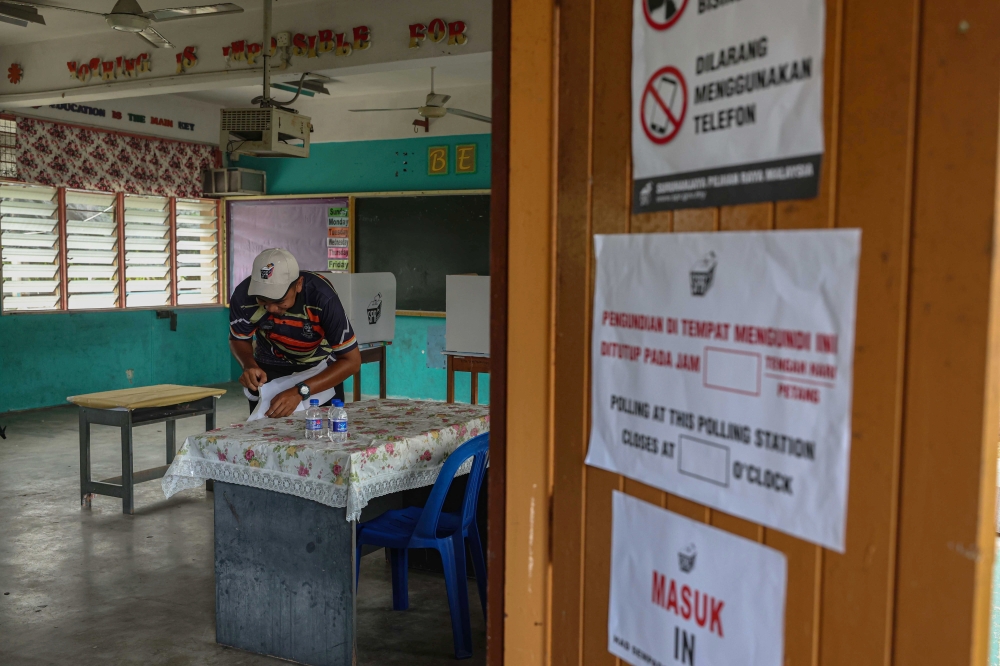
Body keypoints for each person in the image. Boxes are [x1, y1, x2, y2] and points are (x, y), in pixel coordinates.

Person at [229, 248, 362, 418]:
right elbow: (238, 338)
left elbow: (352, 361)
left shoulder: (322, 298)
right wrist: (249, 365)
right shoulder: (243, 297)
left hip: (319, 369)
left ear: (298, 285)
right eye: (262, 300)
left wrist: (300, 391)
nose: (270, 308)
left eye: (279, 301)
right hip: (269, 367)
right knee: (267, 434)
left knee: (323, 432)